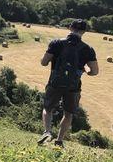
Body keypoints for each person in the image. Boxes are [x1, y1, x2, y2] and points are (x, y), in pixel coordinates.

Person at [38, 19, 98, 147]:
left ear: (70, 28)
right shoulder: (88, 49)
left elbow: (44, 62)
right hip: (73, 86)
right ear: (84, 32)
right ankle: (59, 141)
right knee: (68, 114)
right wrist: (86, 70)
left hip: (55, 83)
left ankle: (47, 132)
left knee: (47, 108)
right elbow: (94, 72)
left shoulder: (56, 43)